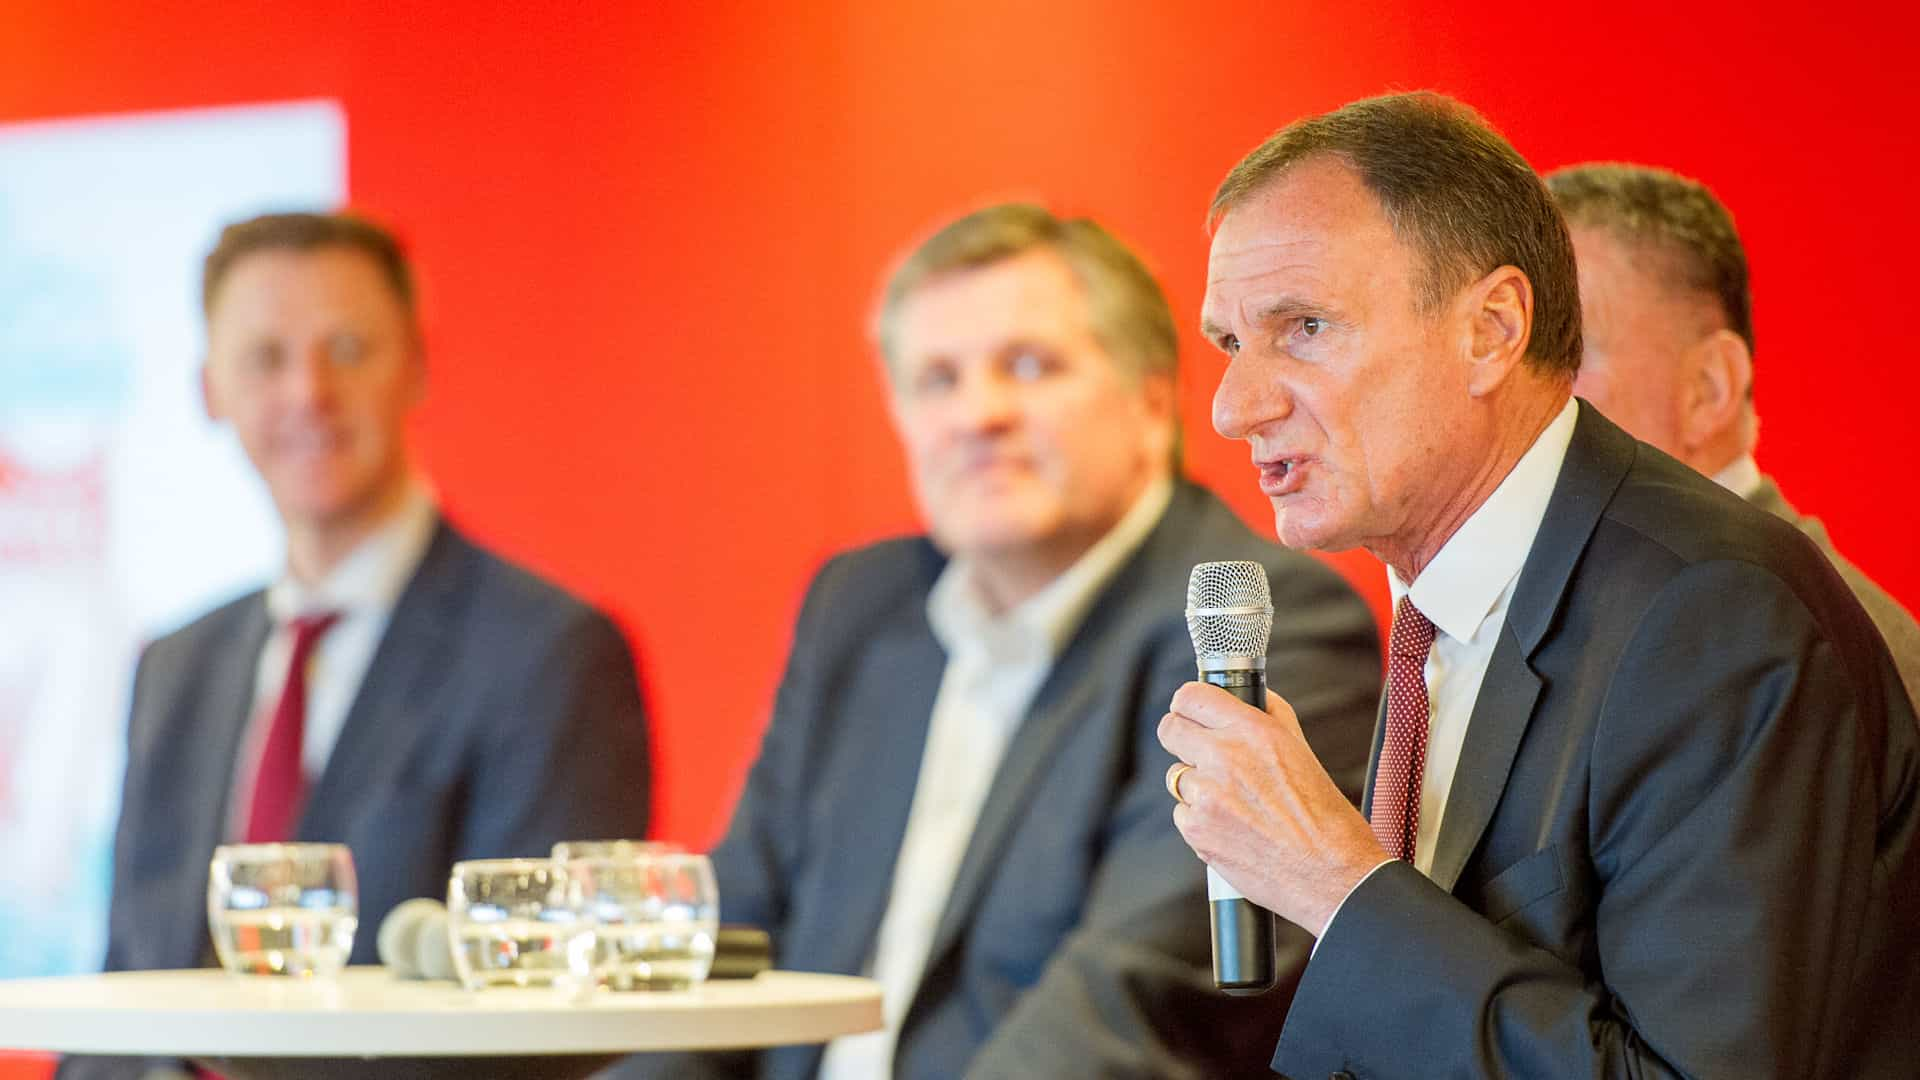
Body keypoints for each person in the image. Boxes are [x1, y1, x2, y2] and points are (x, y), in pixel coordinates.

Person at [1159, 93, 1919, 1078]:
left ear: (1492, 329)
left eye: (1303, 327)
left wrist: (1341, 890)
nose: (1234, 408)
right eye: (1230, 343)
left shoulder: (1716, 616)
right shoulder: (1431, 604)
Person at [625, 204, 1381, 1080]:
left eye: (1029, 367)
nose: (978, 414)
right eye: (938, 380)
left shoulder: (1247, 626)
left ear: (1148, 398)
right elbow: (731, 943)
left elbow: (1141, 1006)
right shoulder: (859, 606)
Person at [60, 212, 653, 1080]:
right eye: (264, 358)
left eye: (347, 348)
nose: (307, 392)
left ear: (416, 365)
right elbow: (125, 997)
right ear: (209, 390)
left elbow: (532, 1034)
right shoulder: (175, 666)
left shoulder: (550, 657)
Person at [1545, 161, 1920, 710]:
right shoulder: (1617, 608)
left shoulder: (1808, 653)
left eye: (1565, 350)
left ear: (1708, 389)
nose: (1521, 396)